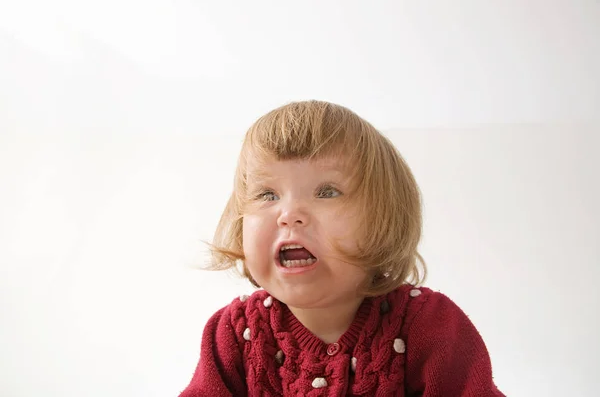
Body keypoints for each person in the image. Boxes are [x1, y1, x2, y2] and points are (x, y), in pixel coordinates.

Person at [179, 100, 504, 396]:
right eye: (267, 195)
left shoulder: (430, 325)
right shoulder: (235, 333)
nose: (289, 214)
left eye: (327, 192)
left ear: (383, 218)